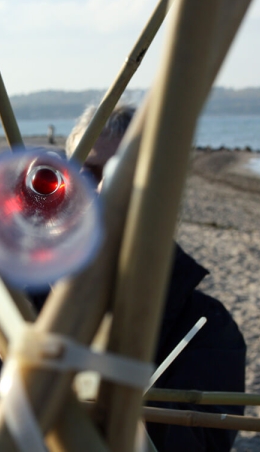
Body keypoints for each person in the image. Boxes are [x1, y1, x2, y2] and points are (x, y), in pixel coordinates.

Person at [66, 104, 247, 452]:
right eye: (88, 174)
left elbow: (202, 442)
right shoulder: (10, 304)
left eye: (127, 176)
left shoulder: (208, 325)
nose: (105, 191)